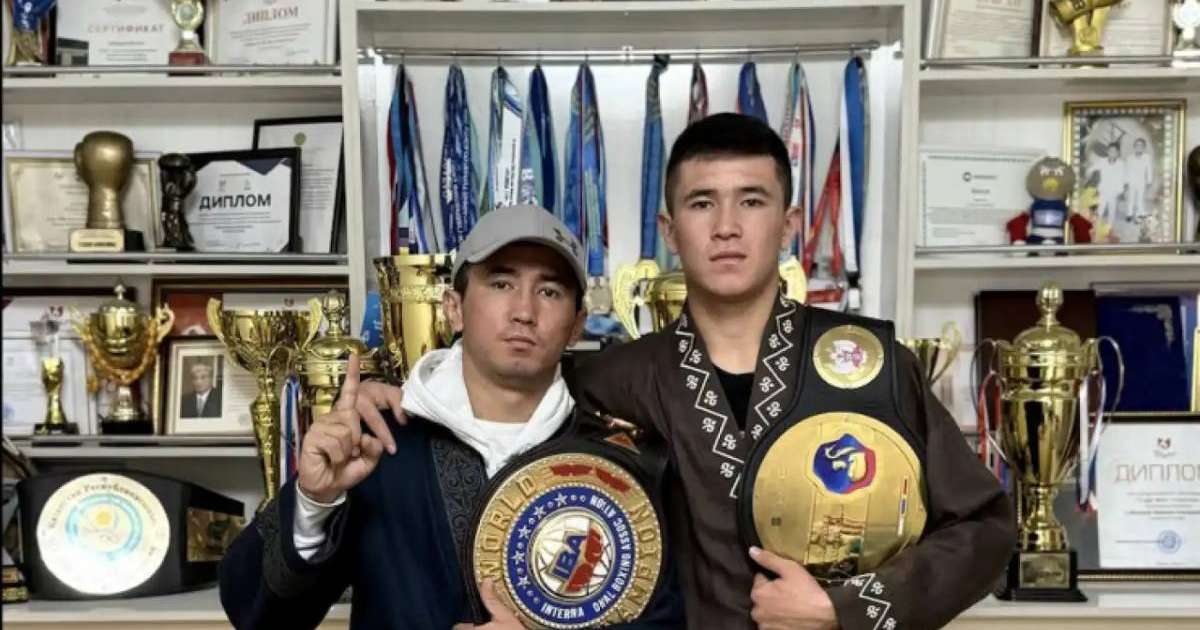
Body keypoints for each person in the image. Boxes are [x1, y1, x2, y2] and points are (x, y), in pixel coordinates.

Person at [572, 113, 1016, 629]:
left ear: (789, 224)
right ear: (670, 231)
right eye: (701, 203)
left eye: (752, 201)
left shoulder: (873, 364)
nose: (726, 227)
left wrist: (842, 609)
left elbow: (986, 527)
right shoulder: (613, 384)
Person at [218, 204, 681, 629]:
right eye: (501, 284)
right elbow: (257, 616)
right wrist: (313, 501)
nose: (524, 311)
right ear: (454, 308)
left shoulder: (617, 462)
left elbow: (664, 620)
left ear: (576, 324)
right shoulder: (377, 447)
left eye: (549, 290)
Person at [1124, 137, 1154, 221]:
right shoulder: (1130, 157)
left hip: (1141, 181)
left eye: (1141, 145)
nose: (1139, 147)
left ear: (1144, 147)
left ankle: (1138, 215)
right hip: (1131, 180)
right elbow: (1127, 170)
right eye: (1137, 145)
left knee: (1140, 198)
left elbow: (1149, 169)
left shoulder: (1147, 157)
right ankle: (1129, 214)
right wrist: (1126, 181)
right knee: (1131, 198)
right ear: (1134, 146)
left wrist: (1149, 181)